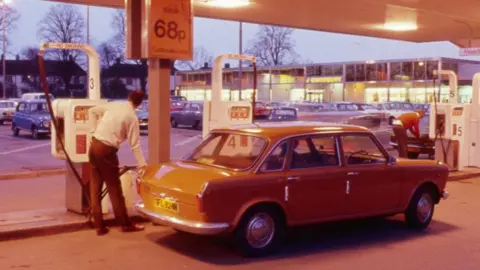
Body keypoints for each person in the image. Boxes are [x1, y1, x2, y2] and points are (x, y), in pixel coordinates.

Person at [88, 90, 147, 236]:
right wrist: (142, 164)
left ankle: (99, 226)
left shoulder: (114, 105)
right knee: (115, 189)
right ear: (139, 103)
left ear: (128, 97)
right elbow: (135, 145)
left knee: (95, 187)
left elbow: (92, 110)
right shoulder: (132, 118)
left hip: (94, 145)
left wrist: (92, 131)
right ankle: (125, 224)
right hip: (107, 150)